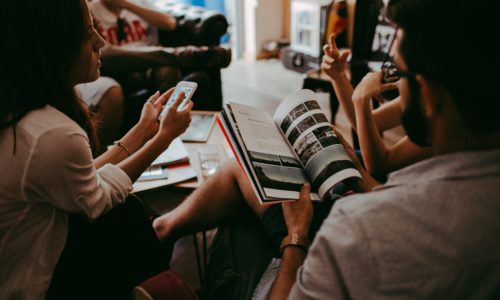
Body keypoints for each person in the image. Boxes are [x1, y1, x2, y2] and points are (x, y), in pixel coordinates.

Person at [154, 0, 500, 298]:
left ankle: (166, 240)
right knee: (253, 181)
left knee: (242, 216)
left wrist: (296, 237)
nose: (393, 78)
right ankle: (165, 230)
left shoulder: (355, 230)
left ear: (429, 97)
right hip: (368, 206)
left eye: (400, 72)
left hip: (331, 237)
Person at [0, 0, 193, 298]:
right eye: (88, 33)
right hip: (26, 287)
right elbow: (96, 199)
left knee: (129, 214)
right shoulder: (51, 133)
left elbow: (86, 179)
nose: (101, 41)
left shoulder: (23, 107)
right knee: (128, 216)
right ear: (54, 47)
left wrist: (142, 132)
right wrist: (163, 139)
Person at [321, 33, 432, 180]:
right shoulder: (424, 93)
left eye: (397, 67)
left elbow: (381, 167)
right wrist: (339, 76)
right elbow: (364, 122)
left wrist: (361, 97)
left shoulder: (446, 121)